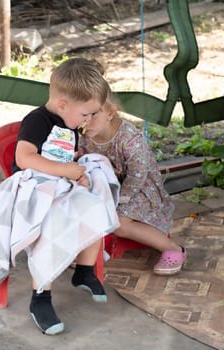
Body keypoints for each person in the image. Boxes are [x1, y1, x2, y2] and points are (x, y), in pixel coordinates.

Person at [10, 58, 116, 335]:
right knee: (54, 220)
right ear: (62, 105)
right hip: (31, 191)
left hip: (58, 183)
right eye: (87, 114)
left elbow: (63, 155)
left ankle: (84, 268)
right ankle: (40, 298)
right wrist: (65, 170)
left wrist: (77, 169)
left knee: (96, 198)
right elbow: (24, 158)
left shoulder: (70, 121)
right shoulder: (37, 120)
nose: (89, 120)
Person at [79, 87, 187, 276]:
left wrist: (121, 198)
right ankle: (87, 255)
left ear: (110, 113)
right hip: (107, 186)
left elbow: (139, 172)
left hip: (138, 189)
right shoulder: (86, 136)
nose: (86, 120)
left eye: (92, 114)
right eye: (82, 114)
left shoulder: (128, 138)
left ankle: (173, 249)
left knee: (119, 223)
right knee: (80, 207)